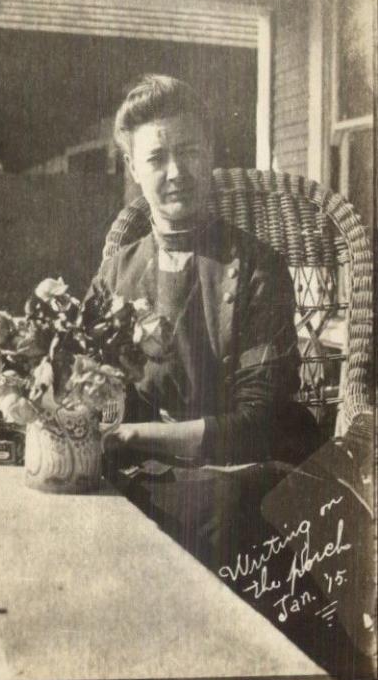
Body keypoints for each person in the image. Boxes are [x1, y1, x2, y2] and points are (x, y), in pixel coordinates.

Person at [88, 75, 319, 476]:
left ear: (209, 153)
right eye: (157, 158)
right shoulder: (114, 275)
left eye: (189, 151)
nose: (176, 171)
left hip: (246, 470)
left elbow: (259, 422)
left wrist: (134, 436)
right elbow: (84, 390)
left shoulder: (259, 268)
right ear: (132, 168)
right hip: (149, 470)